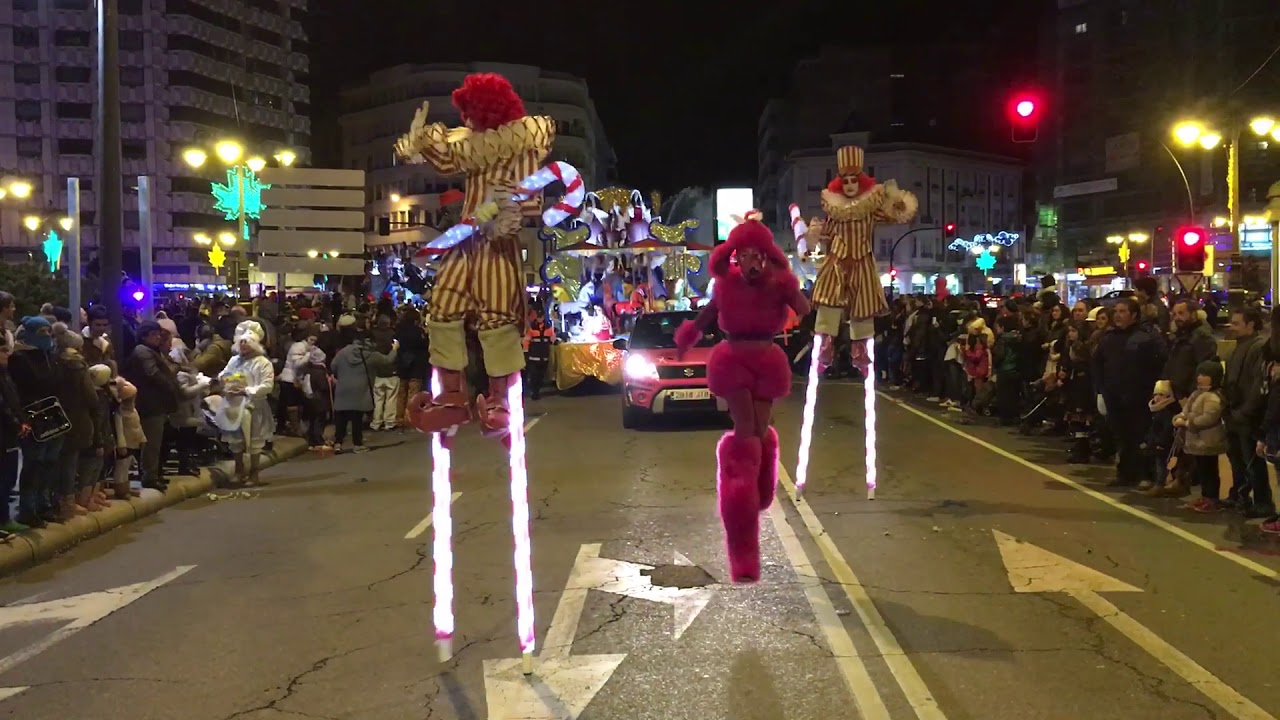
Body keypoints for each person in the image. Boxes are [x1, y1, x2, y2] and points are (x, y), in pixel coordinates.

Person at [396, 72, 555, 441]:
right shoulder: (471, 146)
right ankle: (452, 396)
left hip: (497, 240)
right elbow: (446, 157)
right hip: (464, 240)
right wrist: (418, 141)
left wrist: (507, 210)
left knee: (496, 315)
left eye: (468, 112)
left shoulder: (522, 143)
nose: (464, 120)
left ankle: (500, 400)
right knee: (442, 310)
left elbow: (531, 197)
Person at [674, 212, 811, 583]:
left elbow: (804, 309)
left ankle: (757, 488)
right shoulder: (725, 286)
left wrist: (801, 290)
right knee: (746, 432)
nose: (751, 261)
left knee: (760, 431)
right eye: (744, 255)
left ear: (766, 256)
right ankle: (742, 531)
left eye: (757, 255)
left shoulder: (779, 282)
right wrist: (686, 341)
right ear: (735, 256)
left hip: (766, 359)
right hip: (733, 359)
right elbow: (704, 319)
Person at [807, 145, 918, 373]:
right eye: (845, 181)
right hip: (837, 259)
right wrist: (814, 233)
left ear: (861, 183)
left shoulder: (869, 209)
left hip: (862, 260)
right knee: (830, 298)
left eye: (853, 181)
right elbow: (827, 232)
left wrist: (896, 201)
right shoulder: (835, 210)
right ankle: (826, 343)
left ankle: (860, 348)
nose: (849, 185)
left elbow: (893, 215)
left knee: (863, 302)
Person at [216, 321, 275, 486]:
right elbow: (224, 375)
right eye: (240, 342)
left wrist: (247, 391)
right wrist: (225, 383)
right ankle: (239, 470)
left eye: (246, 342)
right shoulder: (234, 360)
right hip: (234, 406)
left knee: (254, 441)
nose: (243, 345)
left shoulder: (263, 363)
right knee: (236, 441)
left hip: (254, 407)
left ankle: (254, 473)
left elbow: (267, 386)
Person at [330, 333, 397, 454]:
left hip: (343, 388)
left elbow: (333, 366)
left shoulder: (343, 352)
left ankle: (338, 443)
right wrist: (395, 349)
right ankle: (357, 444)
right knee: (357, 419)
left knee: (341, 418)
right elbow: (387, 361)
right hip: (360, 390)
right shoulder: (371, 355)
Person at [1177, 361, 1228, 512]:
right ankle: (1205, 496)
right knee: (1202, 469)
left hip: (1208, 440)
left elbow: (1209, 417)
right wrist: (1179, 417)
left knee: (1210, 470)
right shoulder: (1197, 394)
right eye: (1199, 374)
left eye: (1204, 375)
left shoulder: (1212, 397)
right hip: (1197, 440)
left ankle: (1212, 499)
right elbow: (1186, 410)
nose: (1200, 377)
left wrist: (1188, 423)